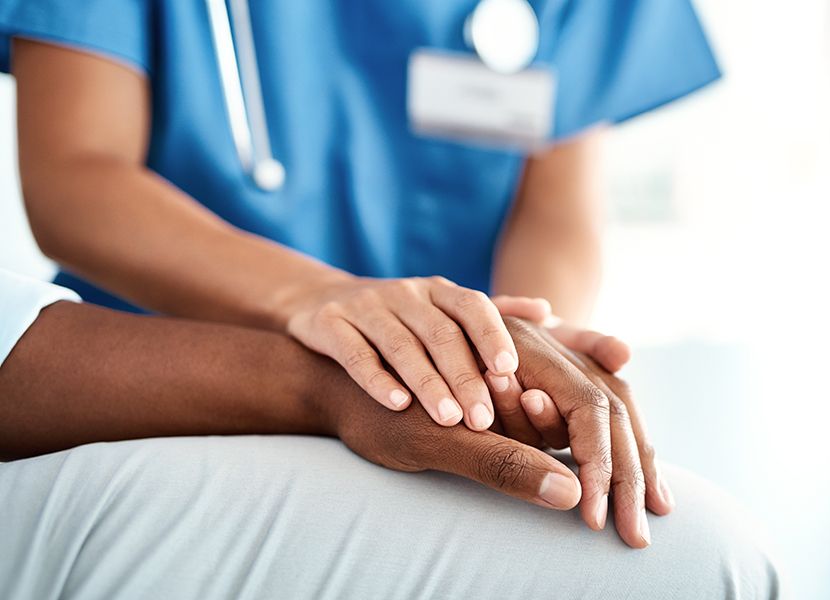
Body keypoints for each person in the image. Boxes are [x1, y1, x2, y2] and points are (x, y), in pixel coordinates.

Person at [1, 0, 721, 540]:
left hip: (446, 416)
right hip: (163, 403)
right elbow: (77, 180)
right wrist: (325, 300)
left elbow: (555, 208)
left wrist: (512, 350)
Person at [0, 269, 777, 598]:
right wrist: (332, 366)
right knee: (694, 562)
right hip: (169, 370)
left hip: (411, 361)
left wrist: (510, 349)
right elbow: (80, 177)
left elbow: (557, 181)